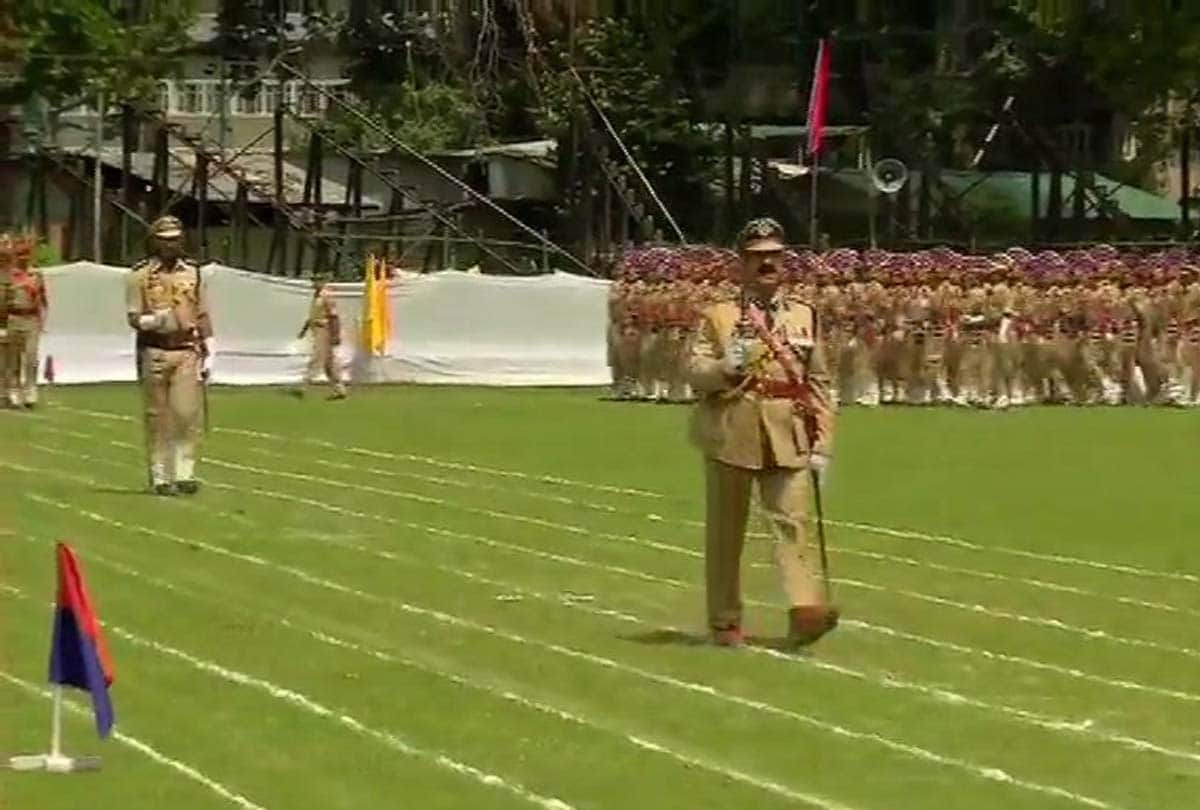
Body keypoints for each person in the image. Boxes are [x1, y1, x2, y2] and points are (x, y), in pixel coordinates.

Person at [687, 217, 838, 648]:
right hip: (731, 430)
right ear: (742, 263)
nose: (767, 264)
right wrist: (722, 369)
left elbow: (820, 383)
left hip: (789, 430)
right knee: (726, 533)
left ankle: (805, 611)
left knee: (793, 523)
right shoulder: (719, 315)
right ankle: (725, 620)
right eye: (757, 258)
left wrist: (823, 443)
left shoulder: (805, 315)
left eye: (774, 256)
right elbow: (694, 370)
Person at [125, 216, 214, 496]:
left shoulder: (193, 272)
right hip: (155, 349)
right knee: (158, 416)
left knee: (186, 414)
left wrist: (212, 346)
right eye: (164, 239)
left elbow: (202, 312)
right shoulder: (140, 275)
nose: (170, 244)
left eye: (175, 239)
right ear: (154, 241)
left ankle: (185, 472)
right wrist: (158, 321)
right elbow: (133, 316)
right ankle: (160, 475)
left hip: (187, 350)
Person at [4, 235, 48, 409]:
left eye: (26, 254)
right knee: (13, 358)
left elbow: (43, 298)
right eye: (20, 254)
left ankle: (30, 389)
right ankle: (13, 390)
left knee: (31, 356)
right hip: (13, 317)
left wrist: (42, 318)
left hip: (31, 318)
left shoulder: (36, 274)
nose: (23, 258)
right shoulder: (10, 276)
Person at [297, 272, 347, 399]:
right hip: (316, 328)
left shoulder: (327, 296)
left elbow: (334, 317)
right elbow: (312, 316)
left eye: (318, 280)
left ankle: (305, 384)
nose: (315, 283)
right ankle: (339, 389)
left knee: (317, 356)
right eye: (314, 280)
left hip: (325, 329)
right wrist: (304, 330)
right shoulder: (316, 296)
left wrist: (335, 335)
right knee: (328, 362)